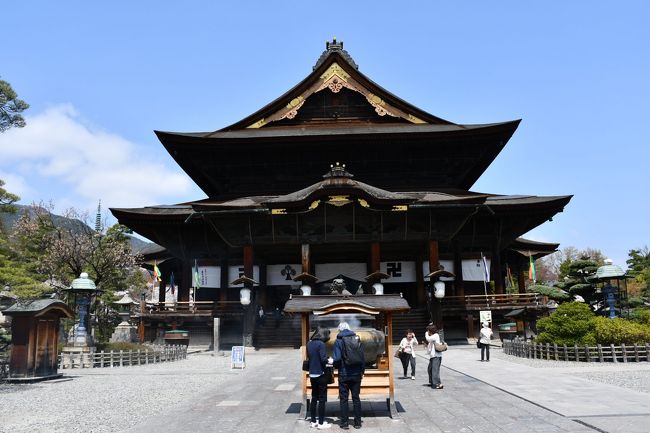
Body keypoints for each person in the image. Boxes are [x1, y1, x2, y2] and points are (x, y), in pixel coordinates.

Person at [332, 322, 364, 430]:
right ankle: (358, 422)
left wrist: (335, 366)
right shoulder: (357, 339)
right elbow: (362, 357)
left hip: (344, 374)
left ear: (340, 330)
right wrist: (361, 372)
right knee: (356, 398)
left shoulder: (339, 341)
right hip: (356, 374)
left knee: (344, 399)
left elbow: (336, 358)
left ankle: (345, 423)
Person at [307, 328, 333, 429]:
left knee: (314, 397)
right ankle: (321, 423)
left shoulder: (309, 343)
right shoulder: (321, 344)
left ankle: (313, 421)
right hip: (321, 374)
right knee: (322, 399)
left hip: (312, 373)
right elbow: (323, 359)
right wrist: (329, 360)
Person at [424, 324, 443, 389]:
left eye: (428, 330)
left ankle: (437, 384)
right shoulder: (433, 336)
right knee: (430, 369)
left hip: (436, 356)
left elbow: (428, 339)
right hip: (433, 356)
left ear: (430, 330)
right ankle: (432, 382)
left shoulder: (436, 335)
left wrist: (426, 333)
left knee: (435, 370)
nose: (427, 332)